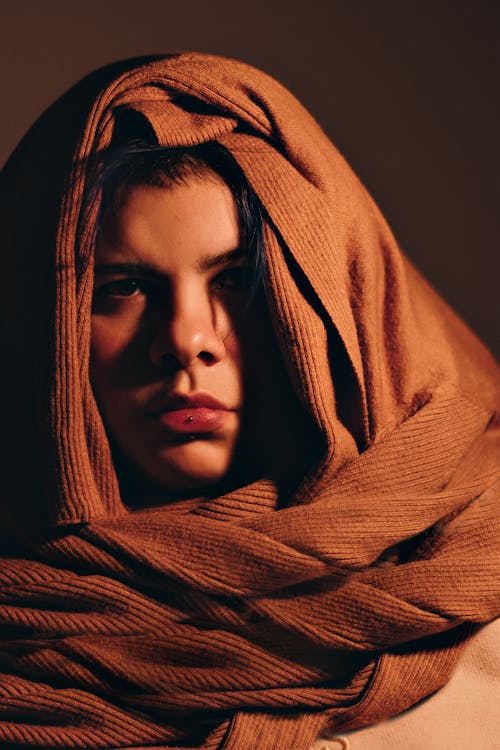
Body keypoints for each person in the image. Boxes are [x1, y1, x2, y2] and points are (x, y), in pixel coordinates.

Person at [0, 53, 498, 750]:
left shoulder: (478, 600)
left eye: (236, 279)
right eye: (122, 287)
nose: (185, 341)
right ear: (40, 327)